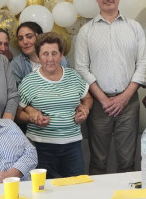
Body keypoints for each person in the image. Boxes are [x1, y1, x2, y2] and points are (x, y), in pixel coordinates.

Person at [74, 0, 146, 174]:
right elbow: (81, 68)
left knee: (127, 160)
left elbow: (142, 65)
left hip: (129, 102)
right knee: (98, 160)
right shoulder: (86, 32)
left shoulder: (134, 28)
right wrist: (104, 100)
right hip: (99, 104)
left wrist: (124, 98)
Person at [16, 32, 92, 178]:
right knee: (44, 192)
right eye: (45, 54)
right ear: (38, 56)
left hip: (73, 145)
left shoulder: (73, 76)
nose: (50, 59)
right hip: (41, 146)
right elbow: (18, 113)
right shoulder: (29, 82)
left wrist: (84, 109)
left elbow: (88, 99)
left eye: (54, 53)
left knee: (76, 188)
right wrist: (31, 117)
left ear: (61, 55)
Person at [11, 21, 69, 86]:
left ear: (39, 37)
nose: (25, 42)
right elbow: (17, 93)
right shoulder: (16, 65)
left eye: (29, 37)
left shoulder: (61, 59)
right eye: (20, 38)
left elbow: (69, 85)